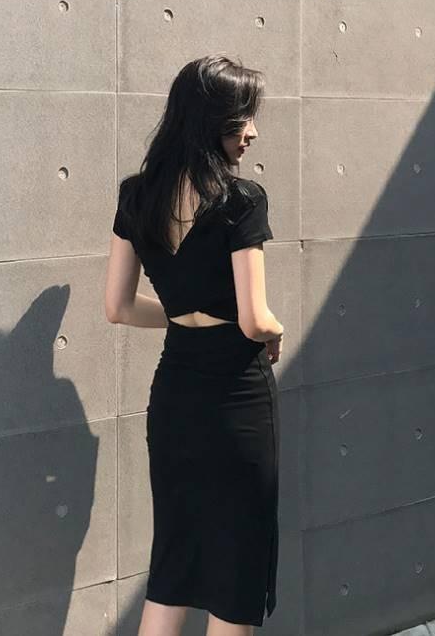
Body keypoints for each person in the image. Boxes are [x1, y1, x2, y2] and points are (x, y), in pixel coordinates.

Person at [105, 53, 285, 636]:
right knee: (237, 570)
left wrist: (186, 315)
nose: (251, 132)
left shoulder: (137, 196)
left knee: (174, 565)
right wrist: (275, 329)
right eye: (242, 119)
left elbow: (118, 307)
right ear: (210, 122)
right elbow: (255, 320)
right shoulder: (242, 200)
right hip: (237, 399)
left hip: (175, 397)